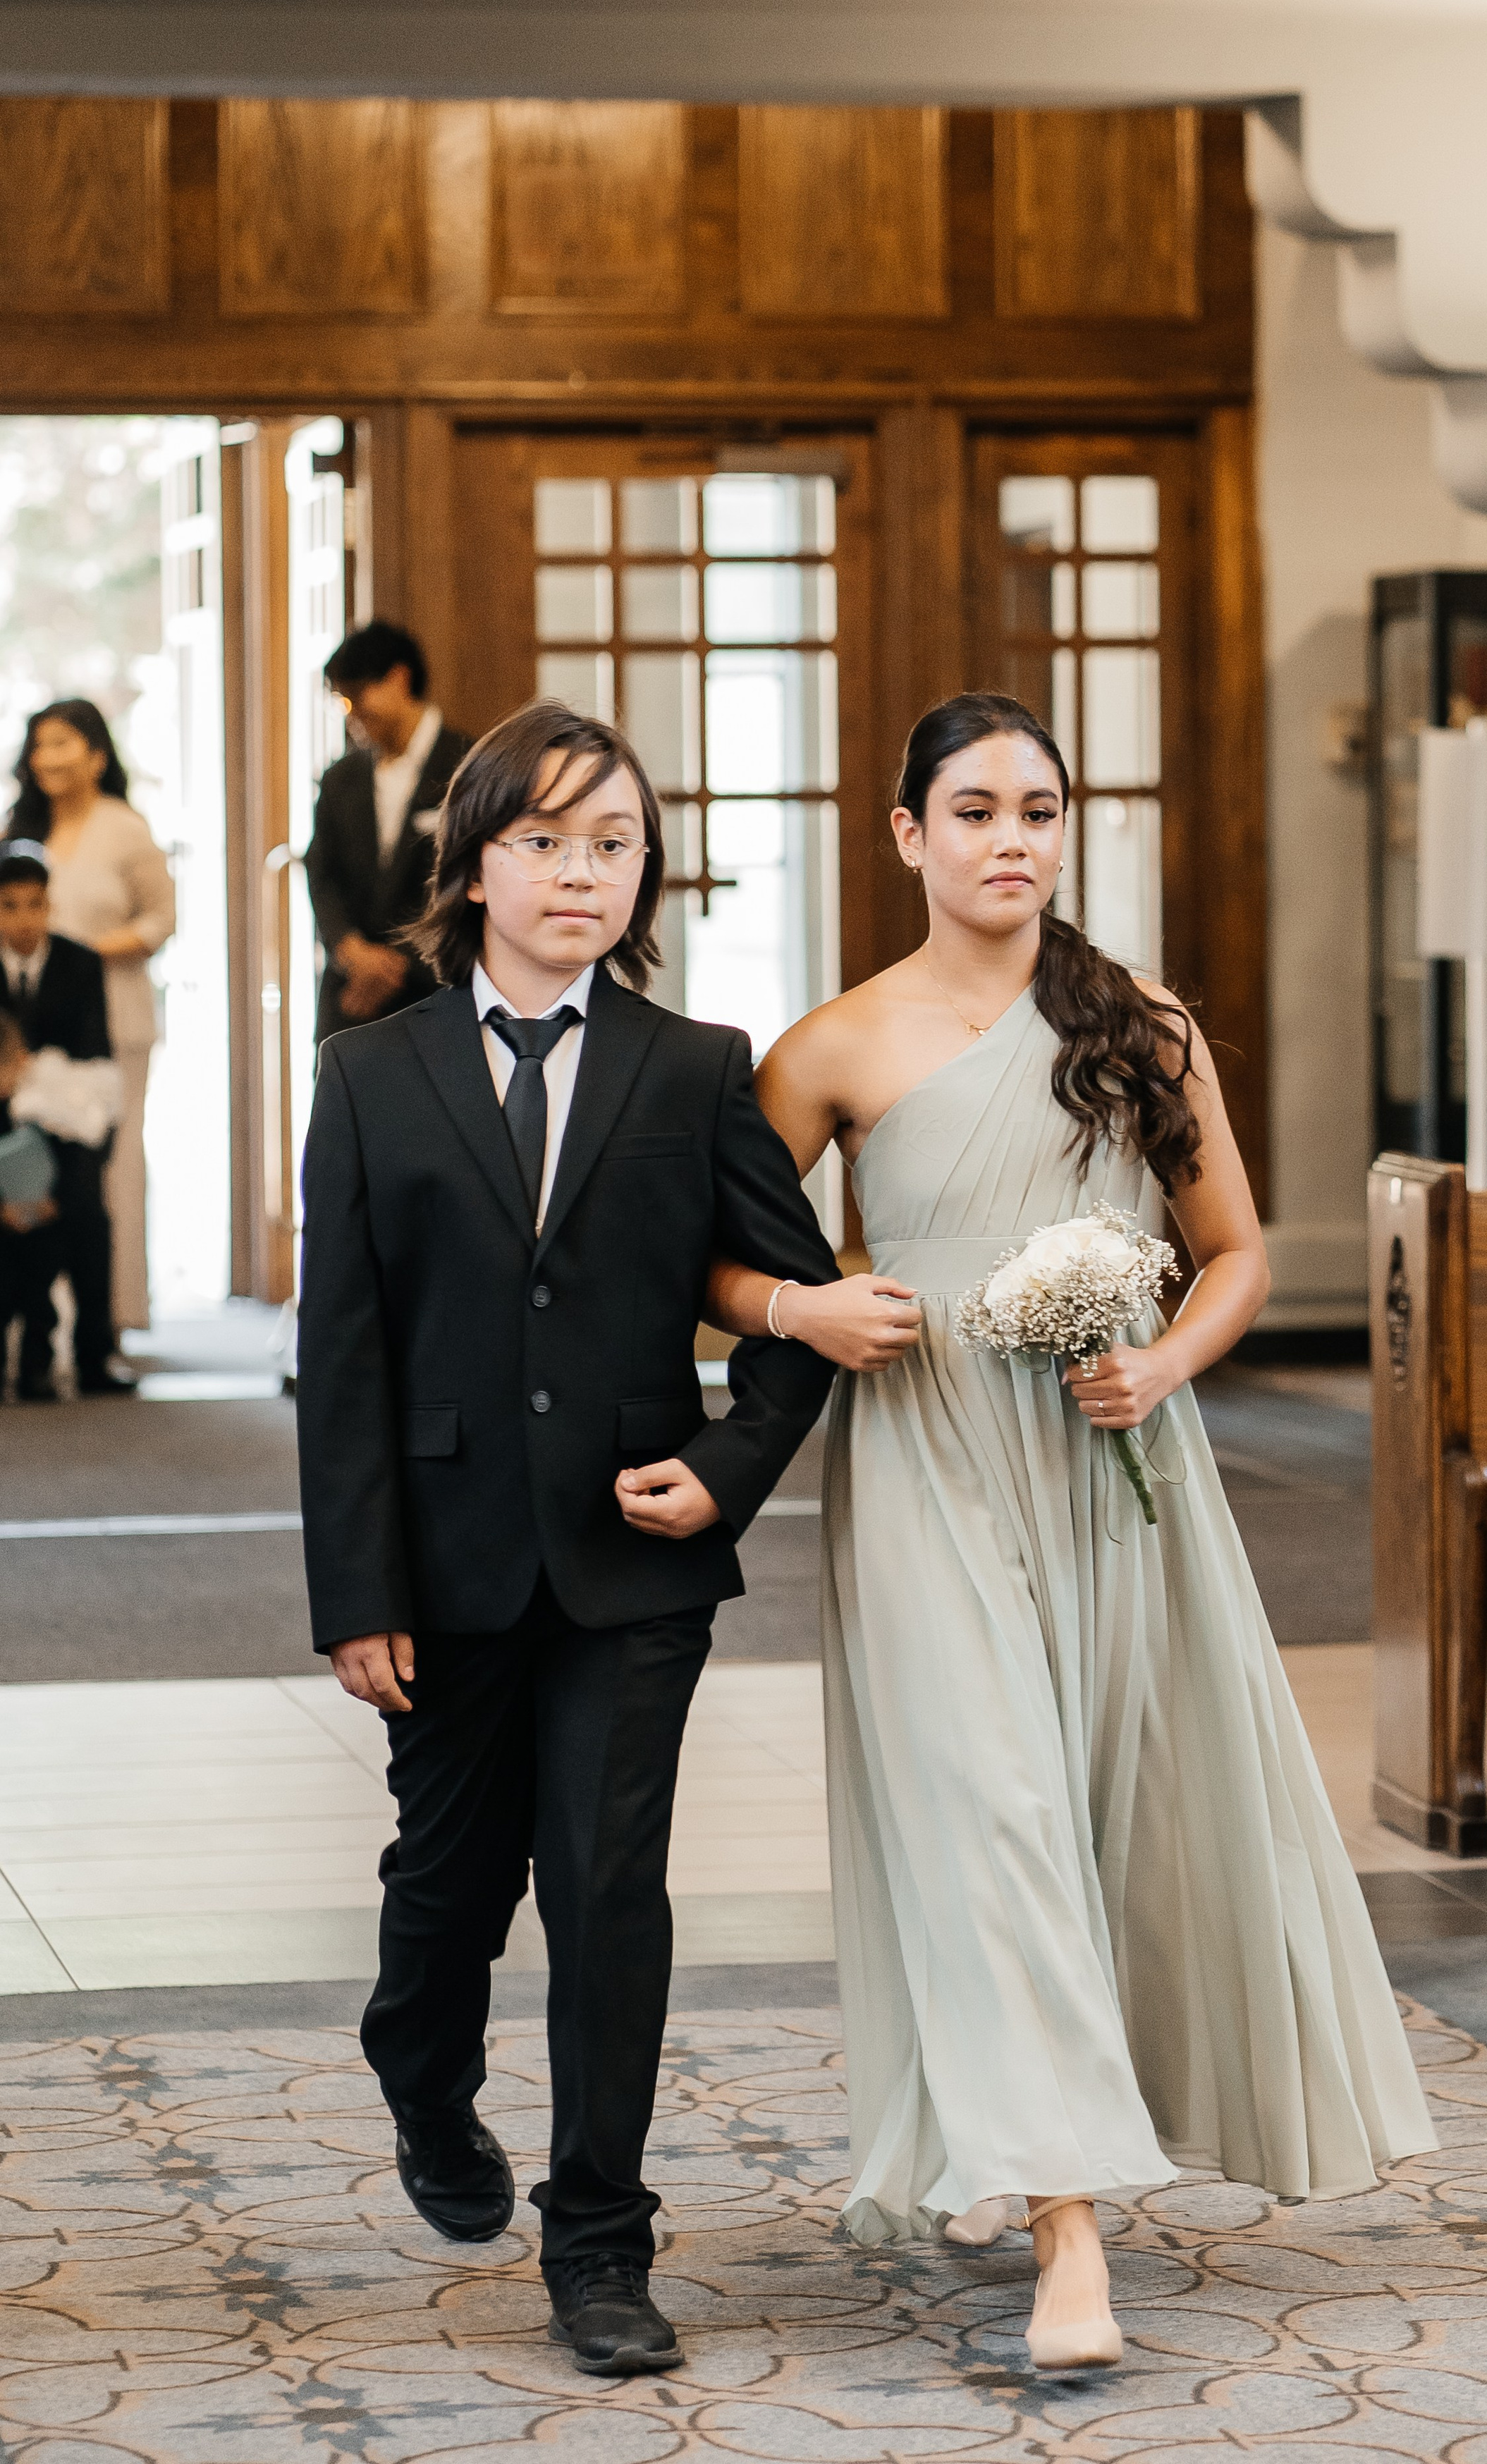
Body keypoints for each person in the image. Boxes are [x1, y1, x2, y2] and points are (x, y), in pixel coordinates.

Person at [705, 692, 1436, 2373]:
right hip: (924, 1469)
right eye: (970, 810)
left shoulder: (1138, 1022)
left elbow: (1236, 1248)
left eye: (1036, 807)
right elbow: (707, 1274)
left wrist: (1162, 1357)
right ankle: (1068, 2238)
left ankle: (1020, 2128)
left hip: (1116, 1477)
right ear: (905, 834)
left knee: (1111, 1811)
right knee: (991, 1815)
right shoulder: (830, 1046)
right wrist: (806, 1305)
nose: (1008, 837)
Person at [296, 697, 838, 2380]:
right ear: (471, 867)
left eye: (612, 842)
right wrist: (355, 1591)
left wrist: (727, 1464)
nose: (578, 872)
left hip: (630, 1555)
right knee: (445, 1890)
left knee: (609, 1890)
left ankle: (599, 2237)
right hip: (441, 1561)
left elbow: (791, 1305)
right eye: (541, 840)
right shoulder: (369, 1073)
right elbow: (344, 1351)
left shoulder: (696, 1067)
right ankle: (420, 2073)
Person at [6, 699, 175, 1336]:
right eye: (39, 745)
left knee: (111, 1165)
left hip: (113, 1019)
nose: (47, 757)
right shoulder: (19, 827)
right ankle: (32, 1317)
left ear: (97, 755)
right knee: (31, 1161)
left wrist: (82, 954)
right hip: (28, 1029)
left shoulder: (125, 827)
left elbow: (161, 919)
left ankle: (114, 1315)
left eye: (62, 743)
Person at [0, 843, 128, 1399]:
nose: (24, 919)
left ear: (50, 905)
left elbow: (96, 1068)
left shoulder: (81, 964)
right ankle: (29, 1357)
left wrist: (52, 1182)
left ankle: (91, 1356)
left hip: (66, 1129)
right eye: (8, 906)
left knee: (84, 1211)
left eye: (34, 904)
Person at [304, 620, 472, 1043]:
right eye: (342, 702)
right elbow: (322, 874)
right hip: (350, 997)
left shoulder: (469, 766)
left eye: (357, 697)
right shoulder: (340, 777)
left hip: (437, 992)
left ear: (399, 679)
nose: (352, 714)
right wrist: (351, 951)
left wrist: (393, 967)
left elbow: (471, 878)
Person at [0, 1007, 60, 1402]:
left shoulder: (35, 1108)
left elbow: (56, 1161)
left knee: (40, 1300)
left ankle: (36, 1369)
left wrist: (47, 1203)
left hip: (37, 1219)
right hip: (3, 1224)